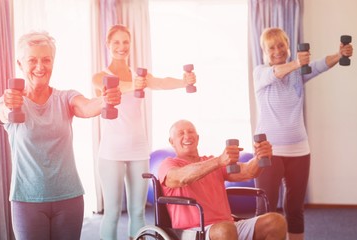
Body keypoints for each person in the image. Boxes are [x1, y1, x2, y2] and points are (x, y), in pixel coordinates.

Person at [0, 31, 121, 240]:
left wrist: (105, 100)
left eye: (46, 60)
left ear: (53, 62)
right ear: (20, 63)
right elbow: (3, 113)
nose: (40, 66)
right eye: (32, 60)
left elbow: (88, 106)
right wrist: (9, 106)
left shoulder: (65, 97)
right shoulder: (11, 100)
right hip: (27, 200)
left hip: (69, 197)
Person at [92, 24, 196, 240]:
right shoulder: (100, 76)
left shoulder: (137, 75)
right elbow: (113, 87)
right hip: (111, 153)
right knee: (111, 212)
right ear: (108, 45)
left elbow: (160, 82)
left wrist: (182, 81)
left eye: (126, 42)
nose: (122, 47)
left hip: (138, 149)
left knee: (138, 212)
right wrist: (136, 85)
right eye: (117, 42)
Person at [253, 27, 353, 240]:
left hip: (299, 150)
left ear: (288, 47)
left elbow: (319, 65)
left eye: (281, 45)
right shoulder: (260, 73)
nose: (278, 50)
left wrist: (339, 55)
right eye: (272, 47)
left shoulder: (298, 74)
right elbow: (276, 72)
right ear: (264, 51)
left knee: (295, 207)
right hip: (268, 153)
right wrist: (298, 63)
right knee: (266, 207)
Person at [158, 119, 287, 240]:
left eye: (191, 132)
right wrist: (219, 161)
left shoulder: (211, 161)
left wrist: (260, 158)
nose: (187, 136)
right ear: (171, 141)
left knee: (276, 222)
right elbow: (181, 178)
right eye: (181, 133)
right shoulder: (168, 164)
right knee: (224, 230)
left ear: (197, 138)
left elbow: (248, 171)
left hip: (228, 226)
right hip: (192, 231)